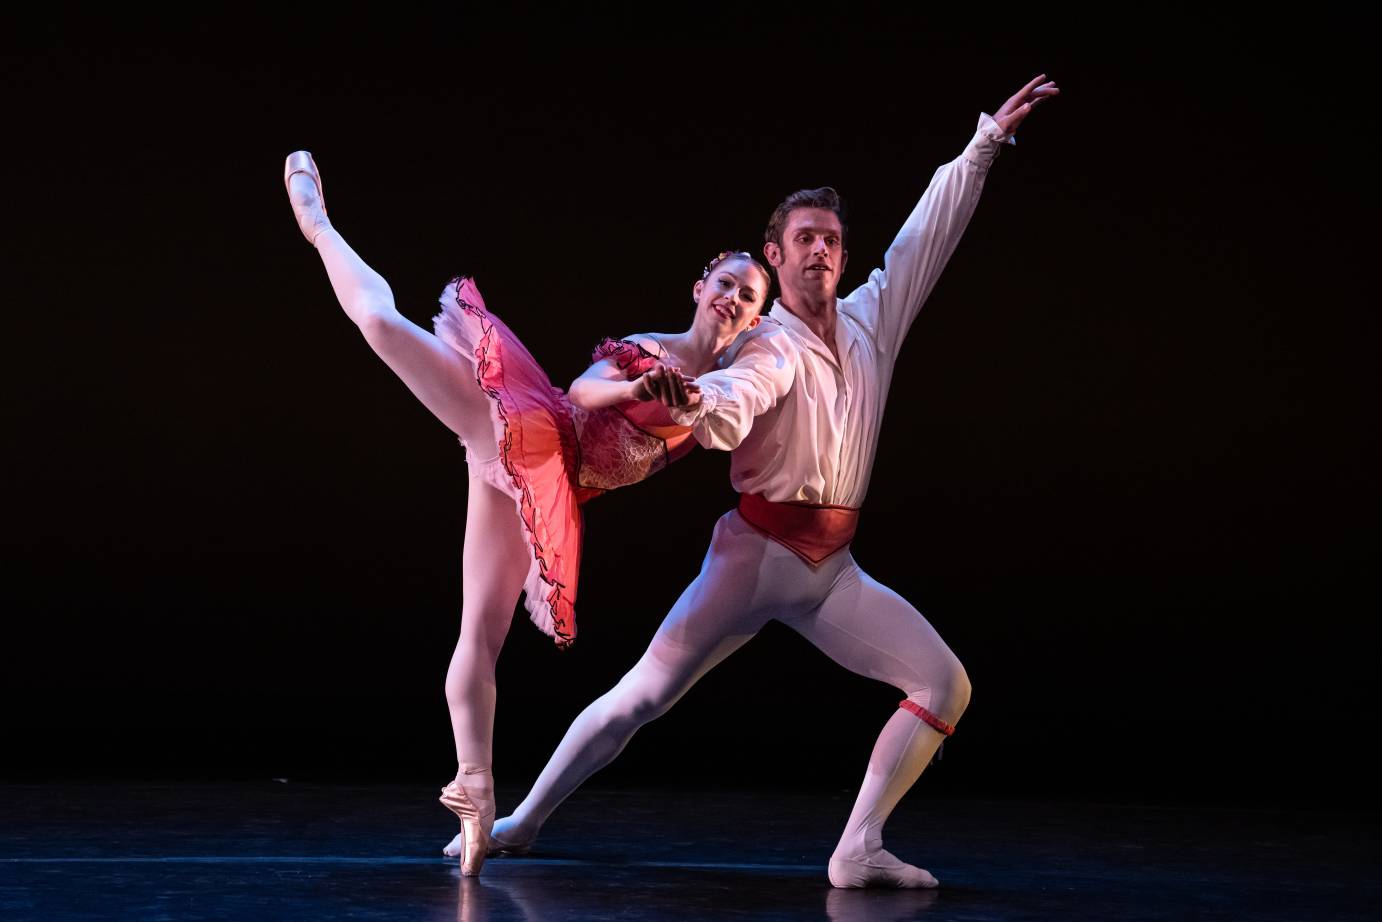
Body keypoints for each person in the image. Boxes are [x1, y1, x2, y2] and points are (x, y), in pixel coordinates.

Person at [489, 74, 1060, 888]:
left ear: (843, 253)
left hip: (833, 572)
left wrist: (985, 144)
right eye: (805, 239)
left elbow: (929, 230)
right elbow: (731, 402)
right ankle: (524, 819)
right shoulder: (767, 346)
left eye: (831, 237)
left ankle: (857, 849)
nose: (820, 249)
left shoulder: (875, 318)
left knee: (944, 682)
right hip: (755, 559)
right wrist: (694, 398)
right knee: (641, 699)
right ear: (778, 255)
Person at [282, 154, 770, 875]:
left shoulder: (726, 394)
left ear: (756, 318)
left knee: (480, 633)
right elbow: (584, 388)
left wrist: (687, 402)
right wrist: (643, 390)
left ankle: (475, 793)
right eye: (724, 283)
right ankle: (319, 225)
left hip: (539, 490)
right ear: (700, 290)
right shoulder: (653, 351)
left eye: (747, 294)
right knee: (383, 325)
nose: (730, 297)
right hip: (524, 432)